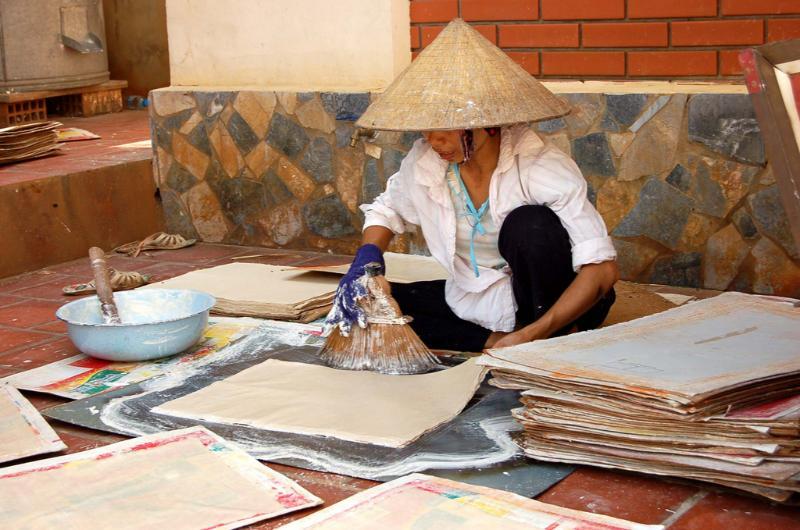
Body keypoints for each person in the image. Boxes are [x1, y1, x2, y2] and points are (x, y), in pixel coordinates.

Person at [324, 19, 618, 352]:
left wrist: (532, 333)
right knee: (374, 308)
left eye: (445, 129)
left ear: (486, 126)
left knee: (529, 224)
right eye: (427, 129)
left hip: (554, 301)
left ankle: (548, 334)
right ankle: (494, 340)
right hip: (480, 298)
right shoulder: (427, 164)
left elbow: (602, 269)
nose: (433, 140)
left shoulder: (538, 164)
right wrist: (368, 257)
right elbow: (387, 209)